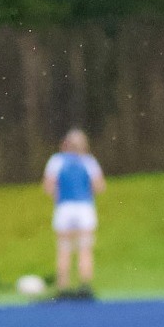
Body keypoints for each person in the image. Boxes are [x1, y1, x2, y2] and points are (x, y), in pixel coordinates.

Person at [43, 128, 105, 298]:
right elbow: (99, 186)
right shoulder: (88, 161)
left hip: (64, 208)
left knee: (64, 248)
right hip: (84, 207)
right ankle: (85, 285)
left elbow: (48, 186)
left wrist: (61, 194)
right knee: (85, 248)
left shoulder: (56, 161)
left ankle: (63, 287)